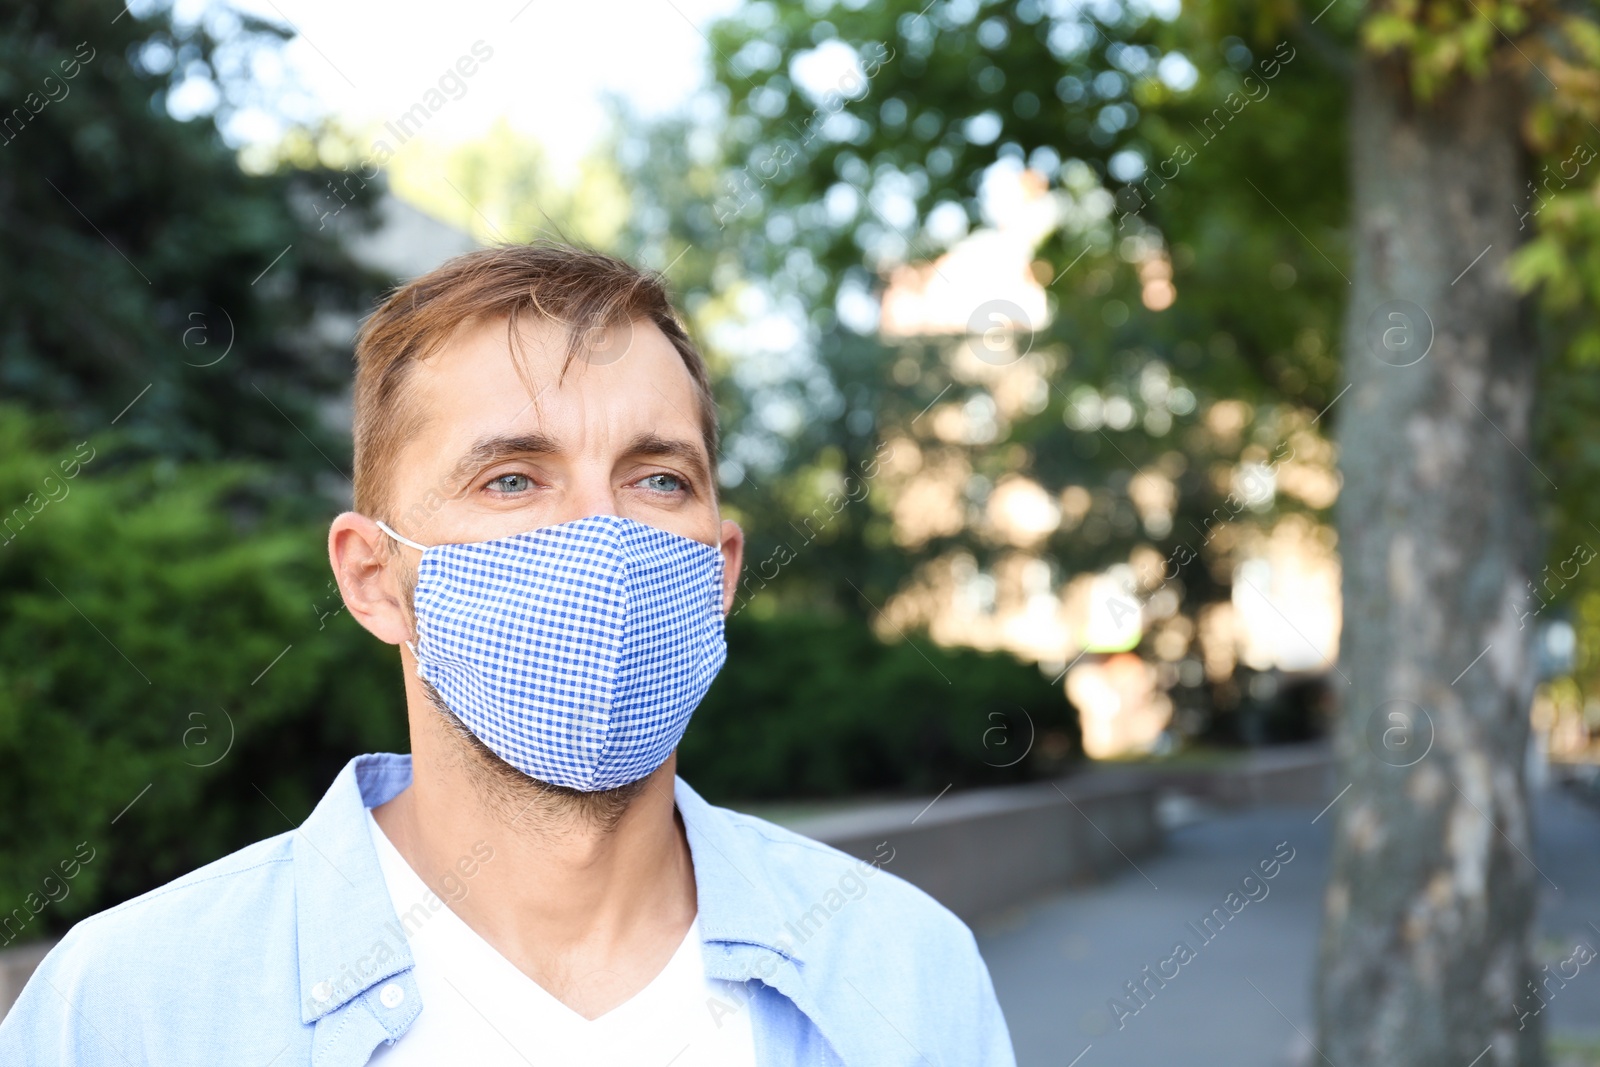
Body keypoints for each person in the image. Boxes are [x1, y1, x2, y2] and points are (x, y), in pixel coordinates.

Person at [0, 244, 1016, 1065]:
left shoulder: (906, 971)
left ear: (719, 571)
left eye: (658, 479)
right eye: (513, 479)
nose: (600, 539)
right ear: (371, 577)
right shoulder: (130, 1011)